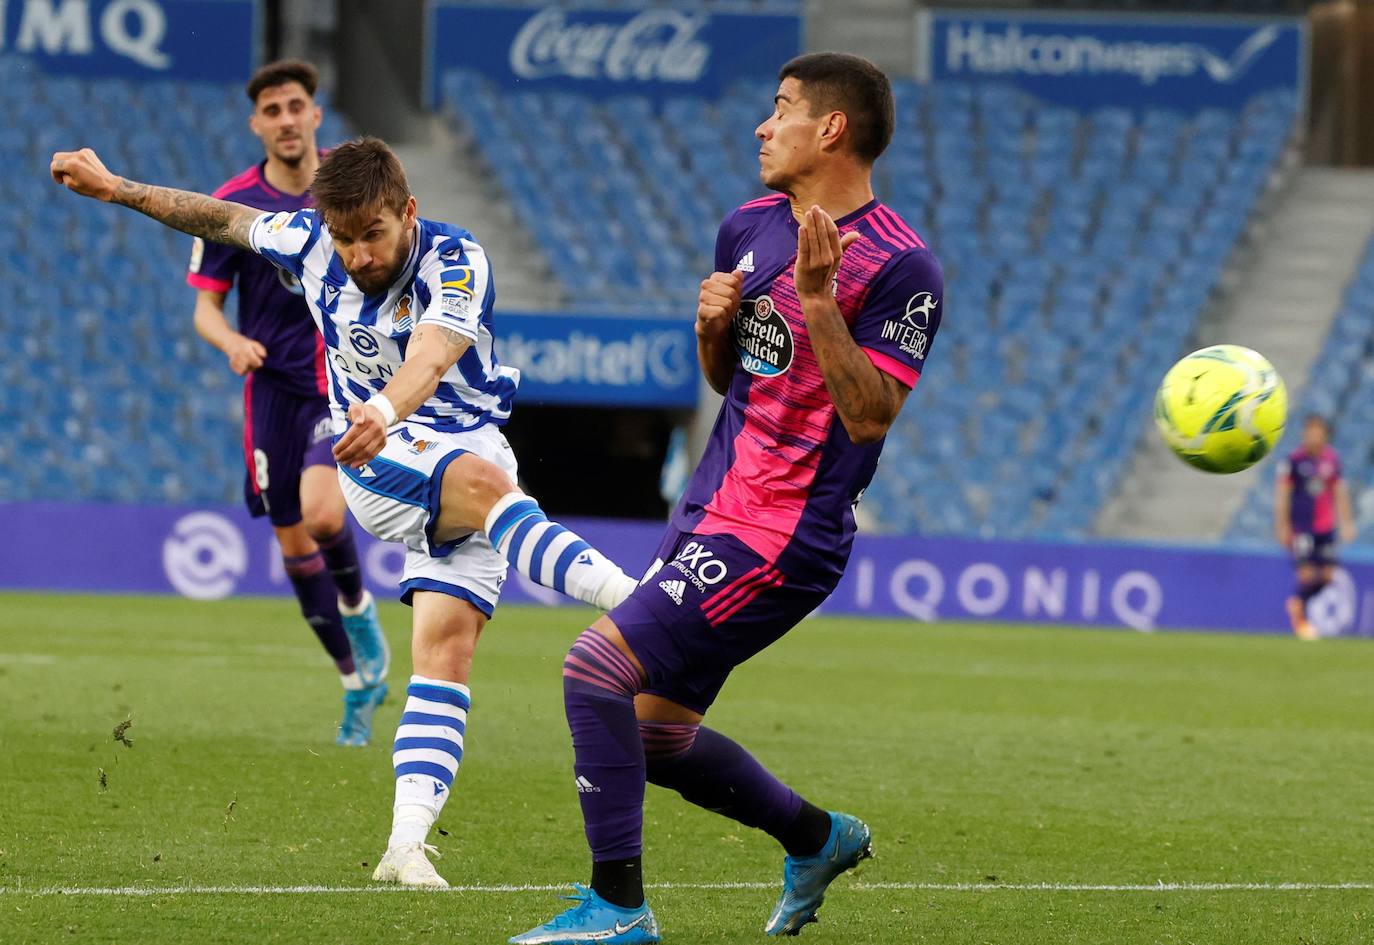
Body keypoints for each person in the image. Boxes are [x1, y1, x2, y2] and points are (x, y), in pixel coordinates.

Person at [50, 136, 639, 890]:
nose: (357, 253)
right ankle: (641, 602)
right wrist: (116, 188)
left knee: (445, 659)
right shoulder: (309, 244)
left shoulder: (457, 260)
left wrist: (388, 407)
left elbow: (433, 353)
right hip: (376, 460)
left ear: (408, 212)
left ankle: (404, 844)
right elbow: (221, 219)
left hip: (447, 438)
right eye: (343, 237)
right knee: (492, 493)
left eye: (373, 235)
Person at [513, 53, 944, 944]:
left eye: (780, 108)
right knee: (656, 736)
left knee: (593, 669)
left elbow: (869, 419)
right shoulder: (746, 225)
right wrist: (711, 329)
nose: (761, 125)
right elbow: (733, 377)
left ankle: (618, 912)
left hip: (783, 532)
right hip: (709, 509)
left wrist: (821, 303)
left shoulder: (904, 267)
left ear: (831, 129)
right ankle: (818, 838)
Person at [186, 59, 389, 748]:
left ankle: (360, 610)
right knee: (293, 544)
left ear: (314, 113)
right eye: (272, 111)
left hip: (337, 378)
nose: (286, 120)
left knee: (325, 511)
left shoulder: (349, 185)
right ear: (258, 125)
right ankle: (355, 680)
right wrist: (232, 343)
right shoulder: (232, 201)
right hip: (269, 385)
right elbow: (204, 311)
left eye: (296, 105)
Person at [1275, 414, 1355, 639]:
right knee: (1306, 574)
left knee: (1329, 576)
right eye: (1310, 431)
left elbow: (1339, 492)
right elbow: (1283, 494)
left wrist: (1346, 523)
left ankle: (1298, 602)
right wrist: (1282, 526)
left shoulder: (1332, 460)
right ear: (1303, 433)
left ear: (1325, 435)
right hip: (1302, 528)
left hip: (1326, 528)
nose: (1313, 435)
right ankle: (1300, 618)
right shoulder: (1293, 461)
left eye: (1318, 431)